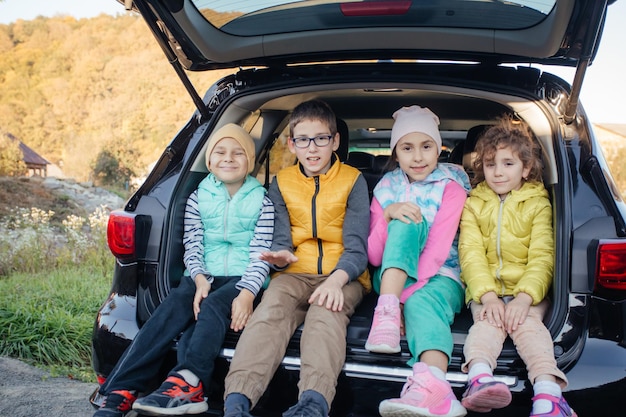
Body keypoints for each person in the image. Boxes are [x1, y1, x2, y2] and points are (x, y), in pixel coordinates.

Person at [93, 123, 274, 417]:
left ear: (250, 162)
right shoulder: (197, 197)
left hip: (244, 276)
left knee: (213, 305)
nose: (229, 158)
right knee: (174, 304)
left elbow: (261, 255)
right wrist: (199, 278)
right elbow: (192, 244)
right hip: (205, 272)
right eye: (221, 152)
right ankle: (120, 390)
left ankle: (189, 380)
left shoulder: (262, 200)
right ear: (210, 161)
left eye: (238, 153)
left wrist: (248, 292)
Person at [222, 99, 371, 417]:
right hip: (294, 273)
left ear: (335, 141)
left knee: (324, 315)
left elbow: (357, 249)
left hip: (344, 275)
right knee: (269, 312)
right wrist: (280, 256)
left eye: (321, 138)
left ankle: (313, 404)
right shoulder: (282, 182)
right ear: (292, 143)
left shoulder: (353, 180)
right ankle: (237, 401)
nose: (312, 148)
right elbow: (281, 239)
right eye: (303, 140)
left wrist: (335, 281)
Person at [458, 117, 576, 417]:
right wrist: (487, 297)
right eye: (489, 164)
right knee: (486, 326)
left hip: (528, 291)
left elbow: (543, 255)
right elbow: (470, 253)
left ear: (525, 168)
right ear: (480, 167)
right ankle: (480, 379)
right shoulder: (473, 203)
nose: (497, 172)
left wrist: (525, 298)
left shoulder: (538, 203)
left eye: (508, 164)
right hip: (487, 291)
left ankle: (549, 396)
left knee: (530, 329)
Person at [365, 105, 471, 417]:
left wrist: (400, 299)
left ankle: (434, 387)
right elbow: (373, 255)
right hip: (387, 278)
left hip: (443, 274)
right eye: (407, 148)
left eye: (427, 147)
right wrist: (387, 214)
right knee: (404, 218)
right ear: (395, 153)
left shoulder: (451, 187)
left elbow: (438, 251)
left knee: (421, 303)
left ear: (440, 148)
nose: (418, 157)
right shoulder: (385, 188)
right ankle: (386, 312)